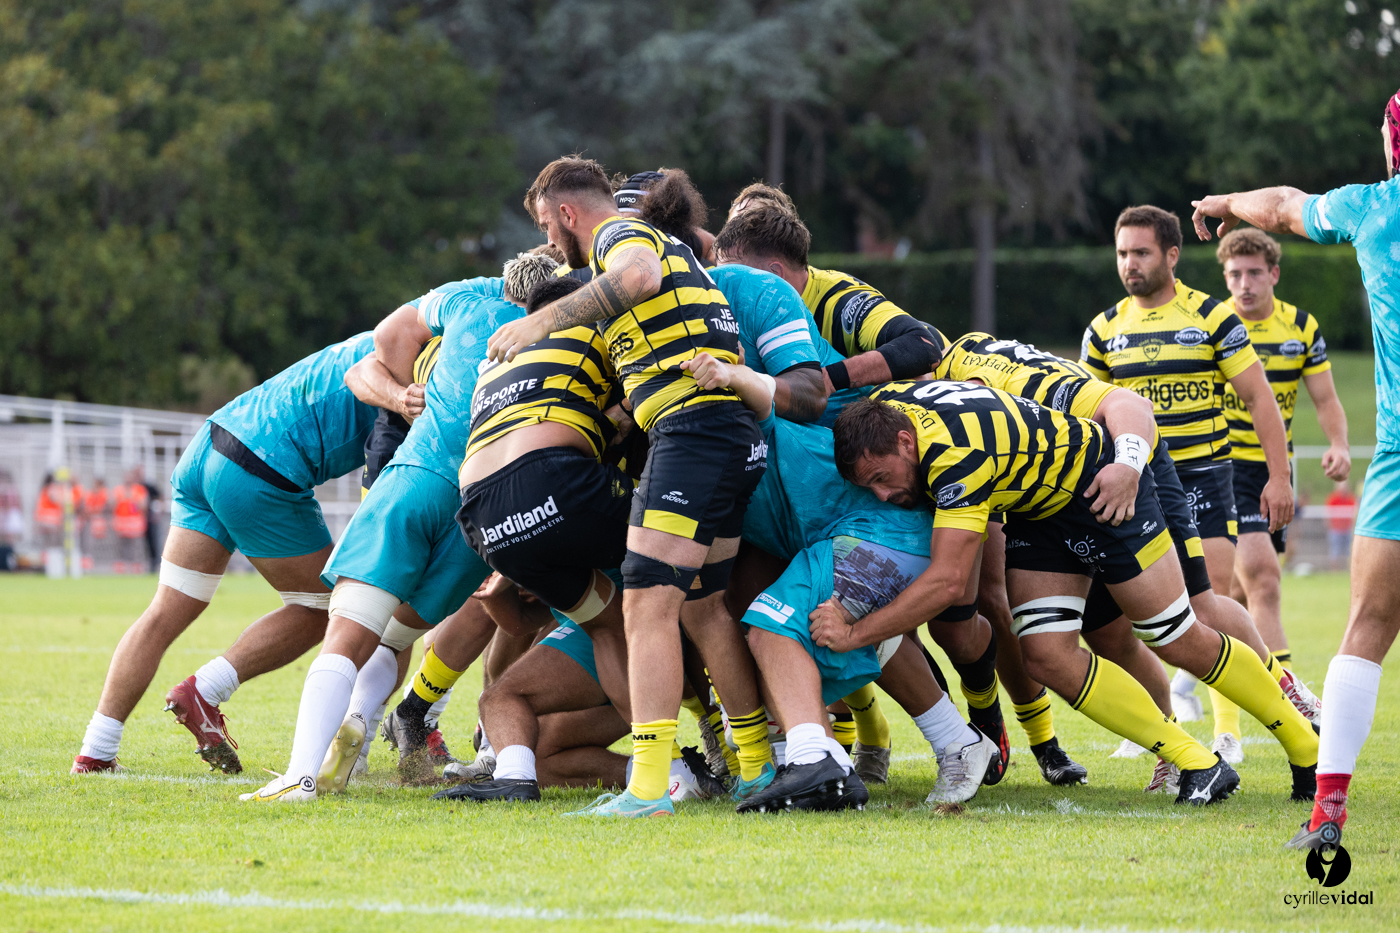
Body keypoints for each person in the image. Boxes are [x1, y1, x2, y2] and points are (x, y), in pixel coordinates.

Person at [826, 384, 1319, 805]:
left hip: (1097, 484)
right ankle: (1196, 762)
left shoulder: (955, 456)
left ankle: (1306, 747)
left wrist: (854, 634)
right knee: (1046, 656)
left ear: (905, 441)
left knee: (1173, 635)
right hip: (1037, 508)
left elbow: (948, 582)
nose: (883, 495)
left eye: (882, 479)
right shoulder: (886, 408)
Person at [486, 156, 773, 818]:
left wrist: (538, 323)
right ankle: (757, 768)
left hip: (693, 436)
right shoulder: (674, 251)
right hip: (728, 433)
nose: (549, 242)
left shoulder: (620, 235)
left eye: (546, 225)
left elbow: (637, 278)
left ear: (566, 213)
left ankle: (647, 788)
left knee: (645, 607)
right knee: (703, 608)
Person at [240, 255, 556, 803]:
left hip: (418, 476)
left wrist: (403, 396)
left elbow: (387, 335)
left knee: (349, 628)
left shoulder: (468, 303)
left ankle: (301, 774)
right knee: (396, 635)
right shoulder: (572, 337)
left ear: (504, 284)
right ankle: (362, 715)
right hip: (486, 508)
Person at [1190, 84, 1400, 851]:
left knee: (1366, 625)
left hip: (1399, 458)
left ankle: (1328, 812)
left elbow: (1281, 205)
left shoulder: (1374, 209)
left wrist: (1223, 201)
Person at [71, 333, 378, 775]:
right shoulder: (425, 365)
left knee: (164, 612)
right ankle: (206, 689)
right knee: (333, 606)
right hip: (259, 463)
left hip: (209, 445)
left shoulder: (388, 334)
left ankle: (96, 750)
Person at [1082, 205, 1294, 763]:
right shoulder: (1103, 330)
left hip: (1203, 478)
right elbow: (1086, 415)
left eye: (1141, 252)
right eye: (1123, 253)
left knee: (1206, 607)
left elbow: (1259, 399)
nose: (1129, 263)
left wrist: (1279, 477)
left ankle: (1229, 731)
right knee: (1134, 621)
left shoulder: (1212, 317)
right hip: (1135, 484)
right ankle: (1165, 726)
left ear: (1172, 255)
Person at [1214, 228, 1350, 675]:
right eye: (1234, 274)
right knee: (1264, 580)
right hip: (1226, 467)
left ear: (1274, 274)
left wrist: (1339, 445)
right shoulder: (1213, 324)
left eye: (1254, 273)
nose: (1244, 284)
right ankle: (1290, 696)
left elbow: (1325, 399)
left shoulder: (1300, 327)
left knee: (1239, 590)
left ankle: (1188, 682)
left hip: (1276, 468)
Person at [715, 199, 945, 421]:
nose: (721, 288)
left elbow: (923, 345)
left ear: (775, 273)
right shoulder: (748, 291)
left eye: (732, 276)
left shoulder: (840, 301)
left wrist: (821, 381)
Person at [1326, 481, 1357, 569]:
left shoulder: (1350, 498)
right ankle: (1334, 570)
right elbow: (1328, 513)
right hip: (1336, 529)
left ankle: (1348, 569)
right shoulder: (1333, 498)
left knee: (1349, 551)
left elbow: (1354, 512)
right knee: (1335, 550)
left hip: (1347, 529)